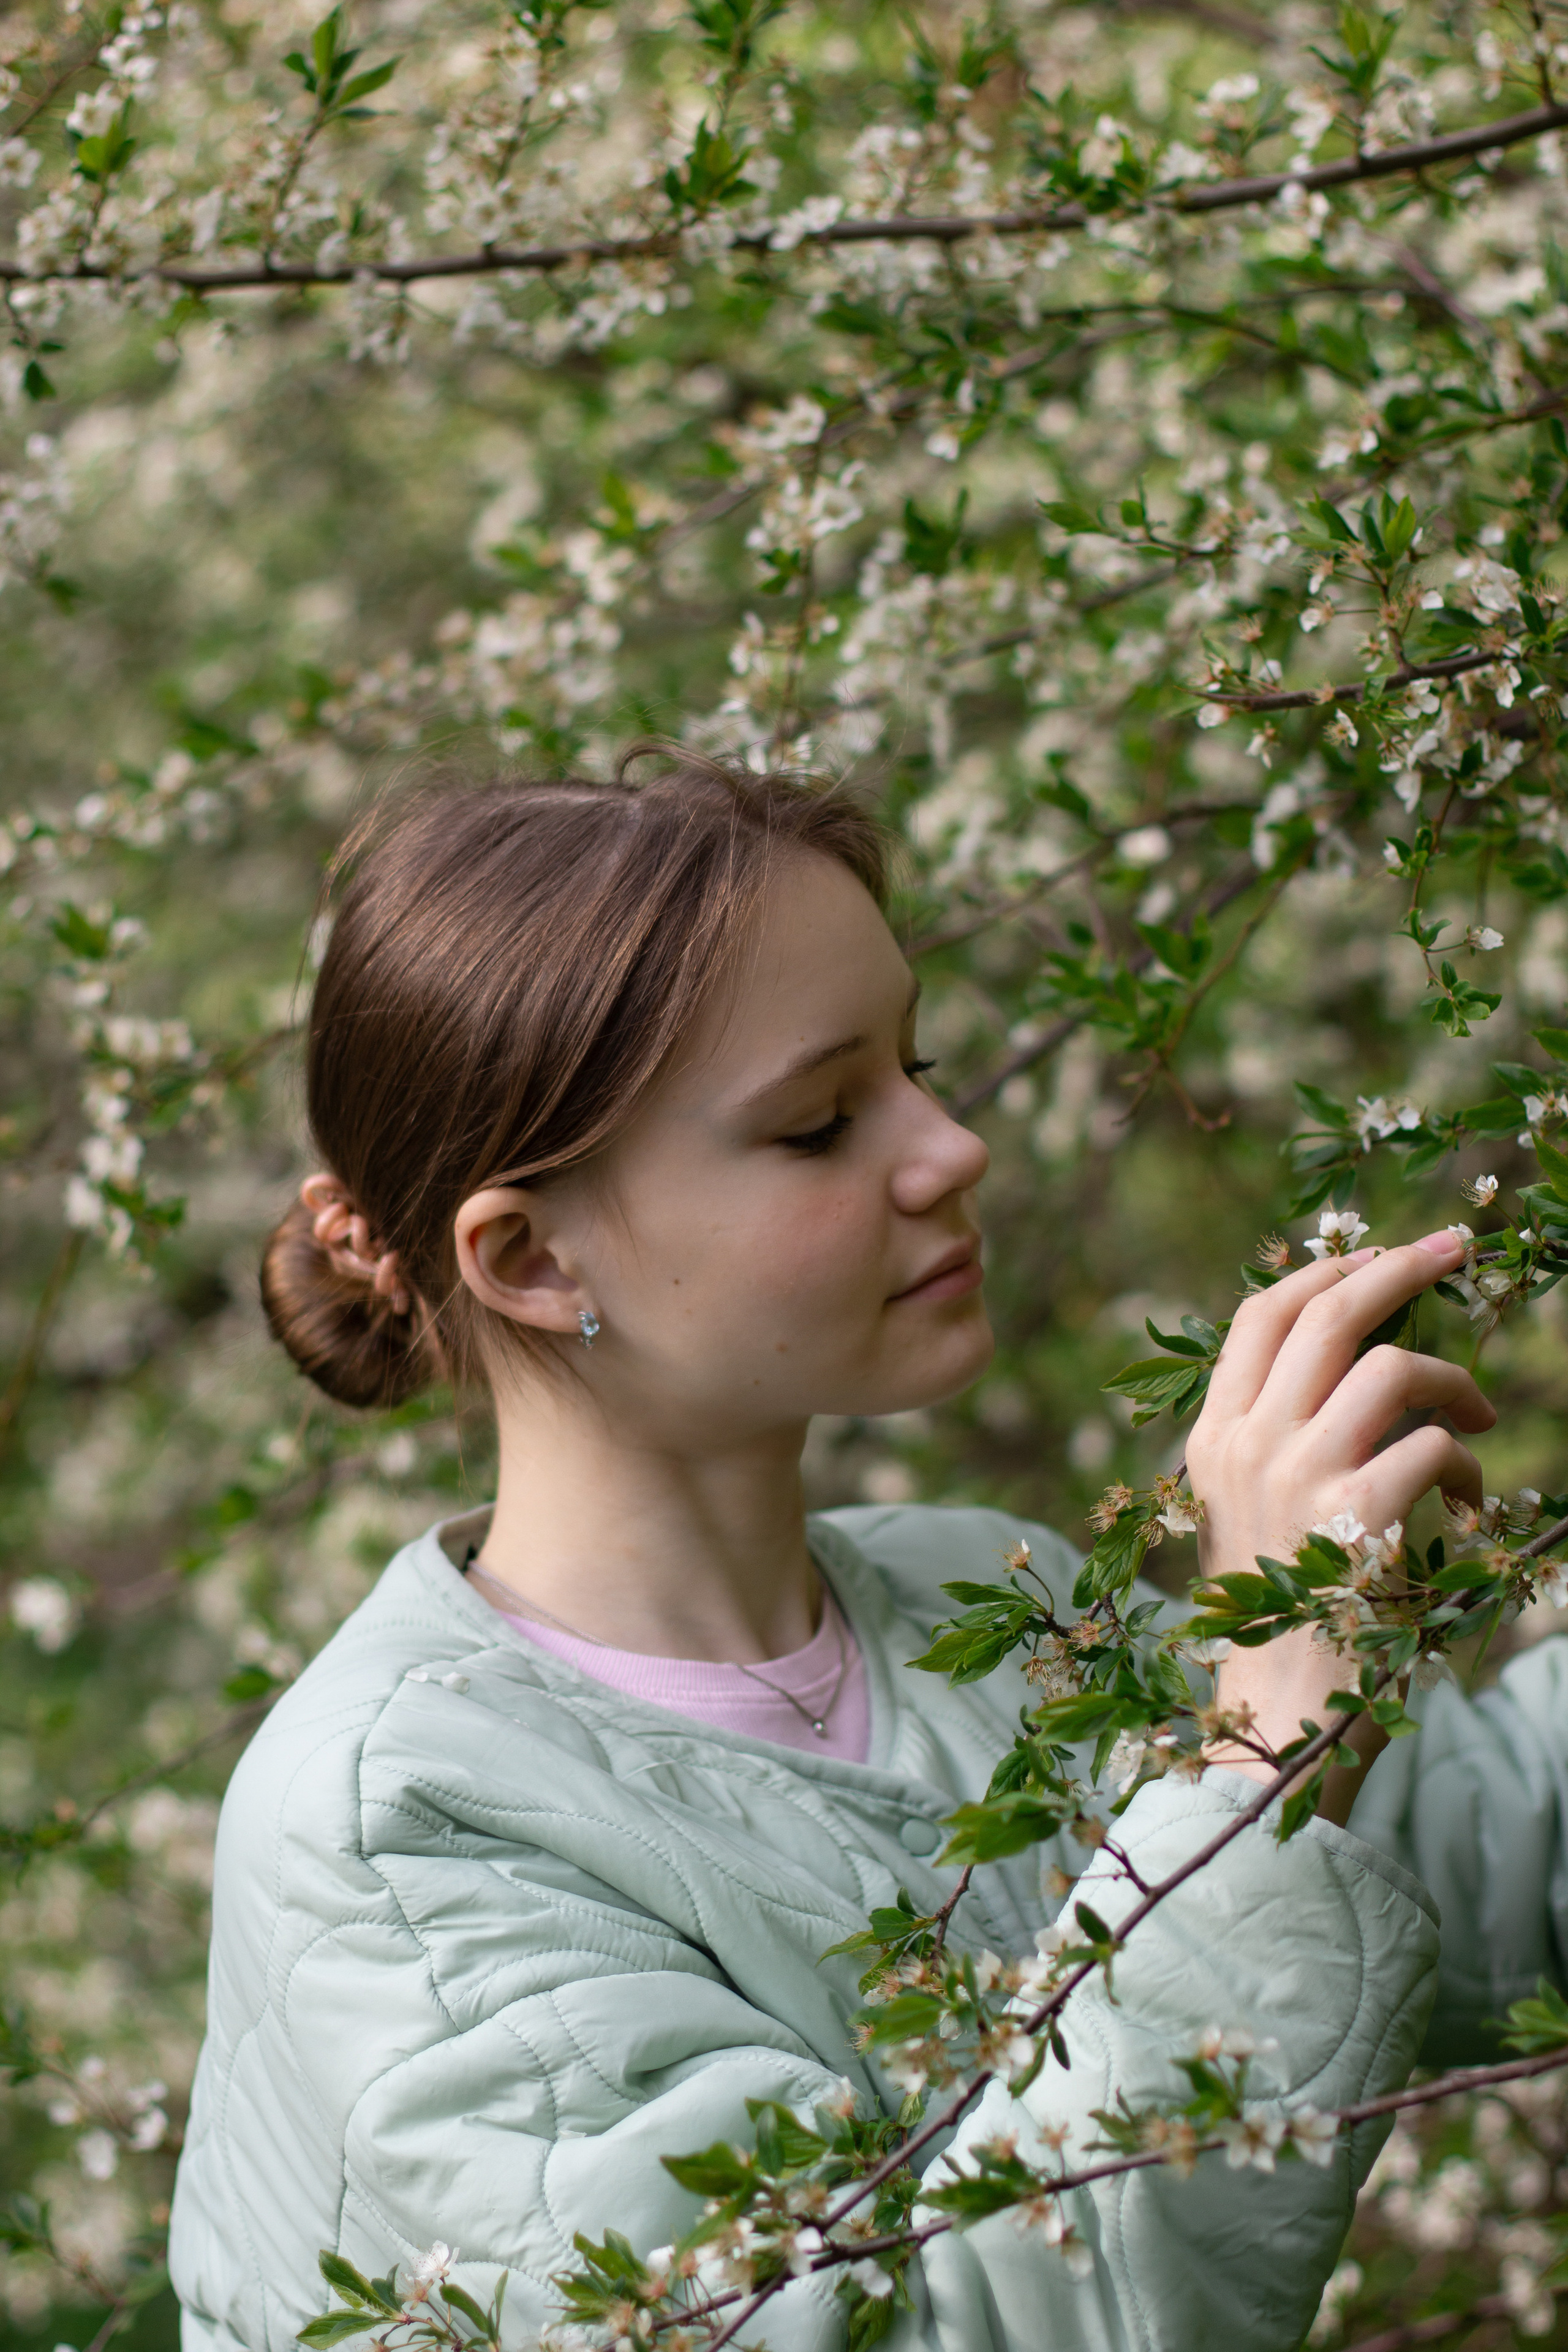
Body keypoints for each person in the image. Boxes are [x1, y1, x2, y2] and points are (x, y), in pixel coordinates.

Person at [169, 750, 1566, 2352]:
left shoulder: (976, 1589)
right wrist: (1264, 1729)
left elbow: (1493, 1855)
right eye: (823, 1122)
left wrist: (1292, 1722)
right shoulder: (400, 1834)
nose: (952, 1147)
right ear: (535, 1256)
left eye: (920, 1065)